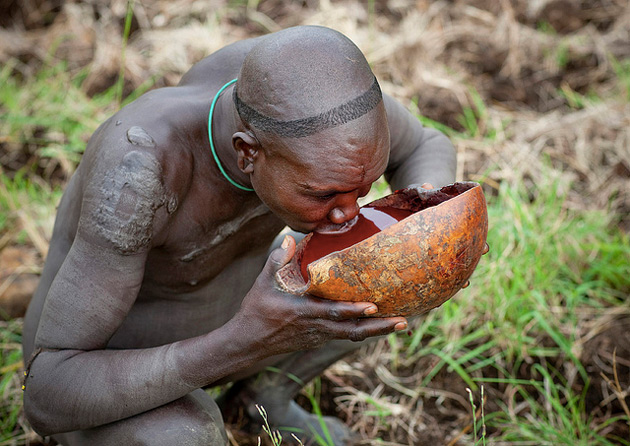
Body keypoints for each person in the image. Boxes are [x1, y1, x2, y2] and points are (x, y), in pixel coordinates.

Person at [21, 25, 457, 445]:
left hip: (244, 330)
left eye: (362, 190)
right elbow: (49, 394)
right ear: (248, 152)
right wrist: (243, 341)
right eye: (323, 194)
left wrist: (423, 233)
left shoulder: (322, 106)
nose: (348, 214)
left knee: (414, 271)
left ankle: (261, 399)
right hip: (112, 378)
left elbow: (425, 145)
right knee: (183, 437)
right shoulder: (144, 169)